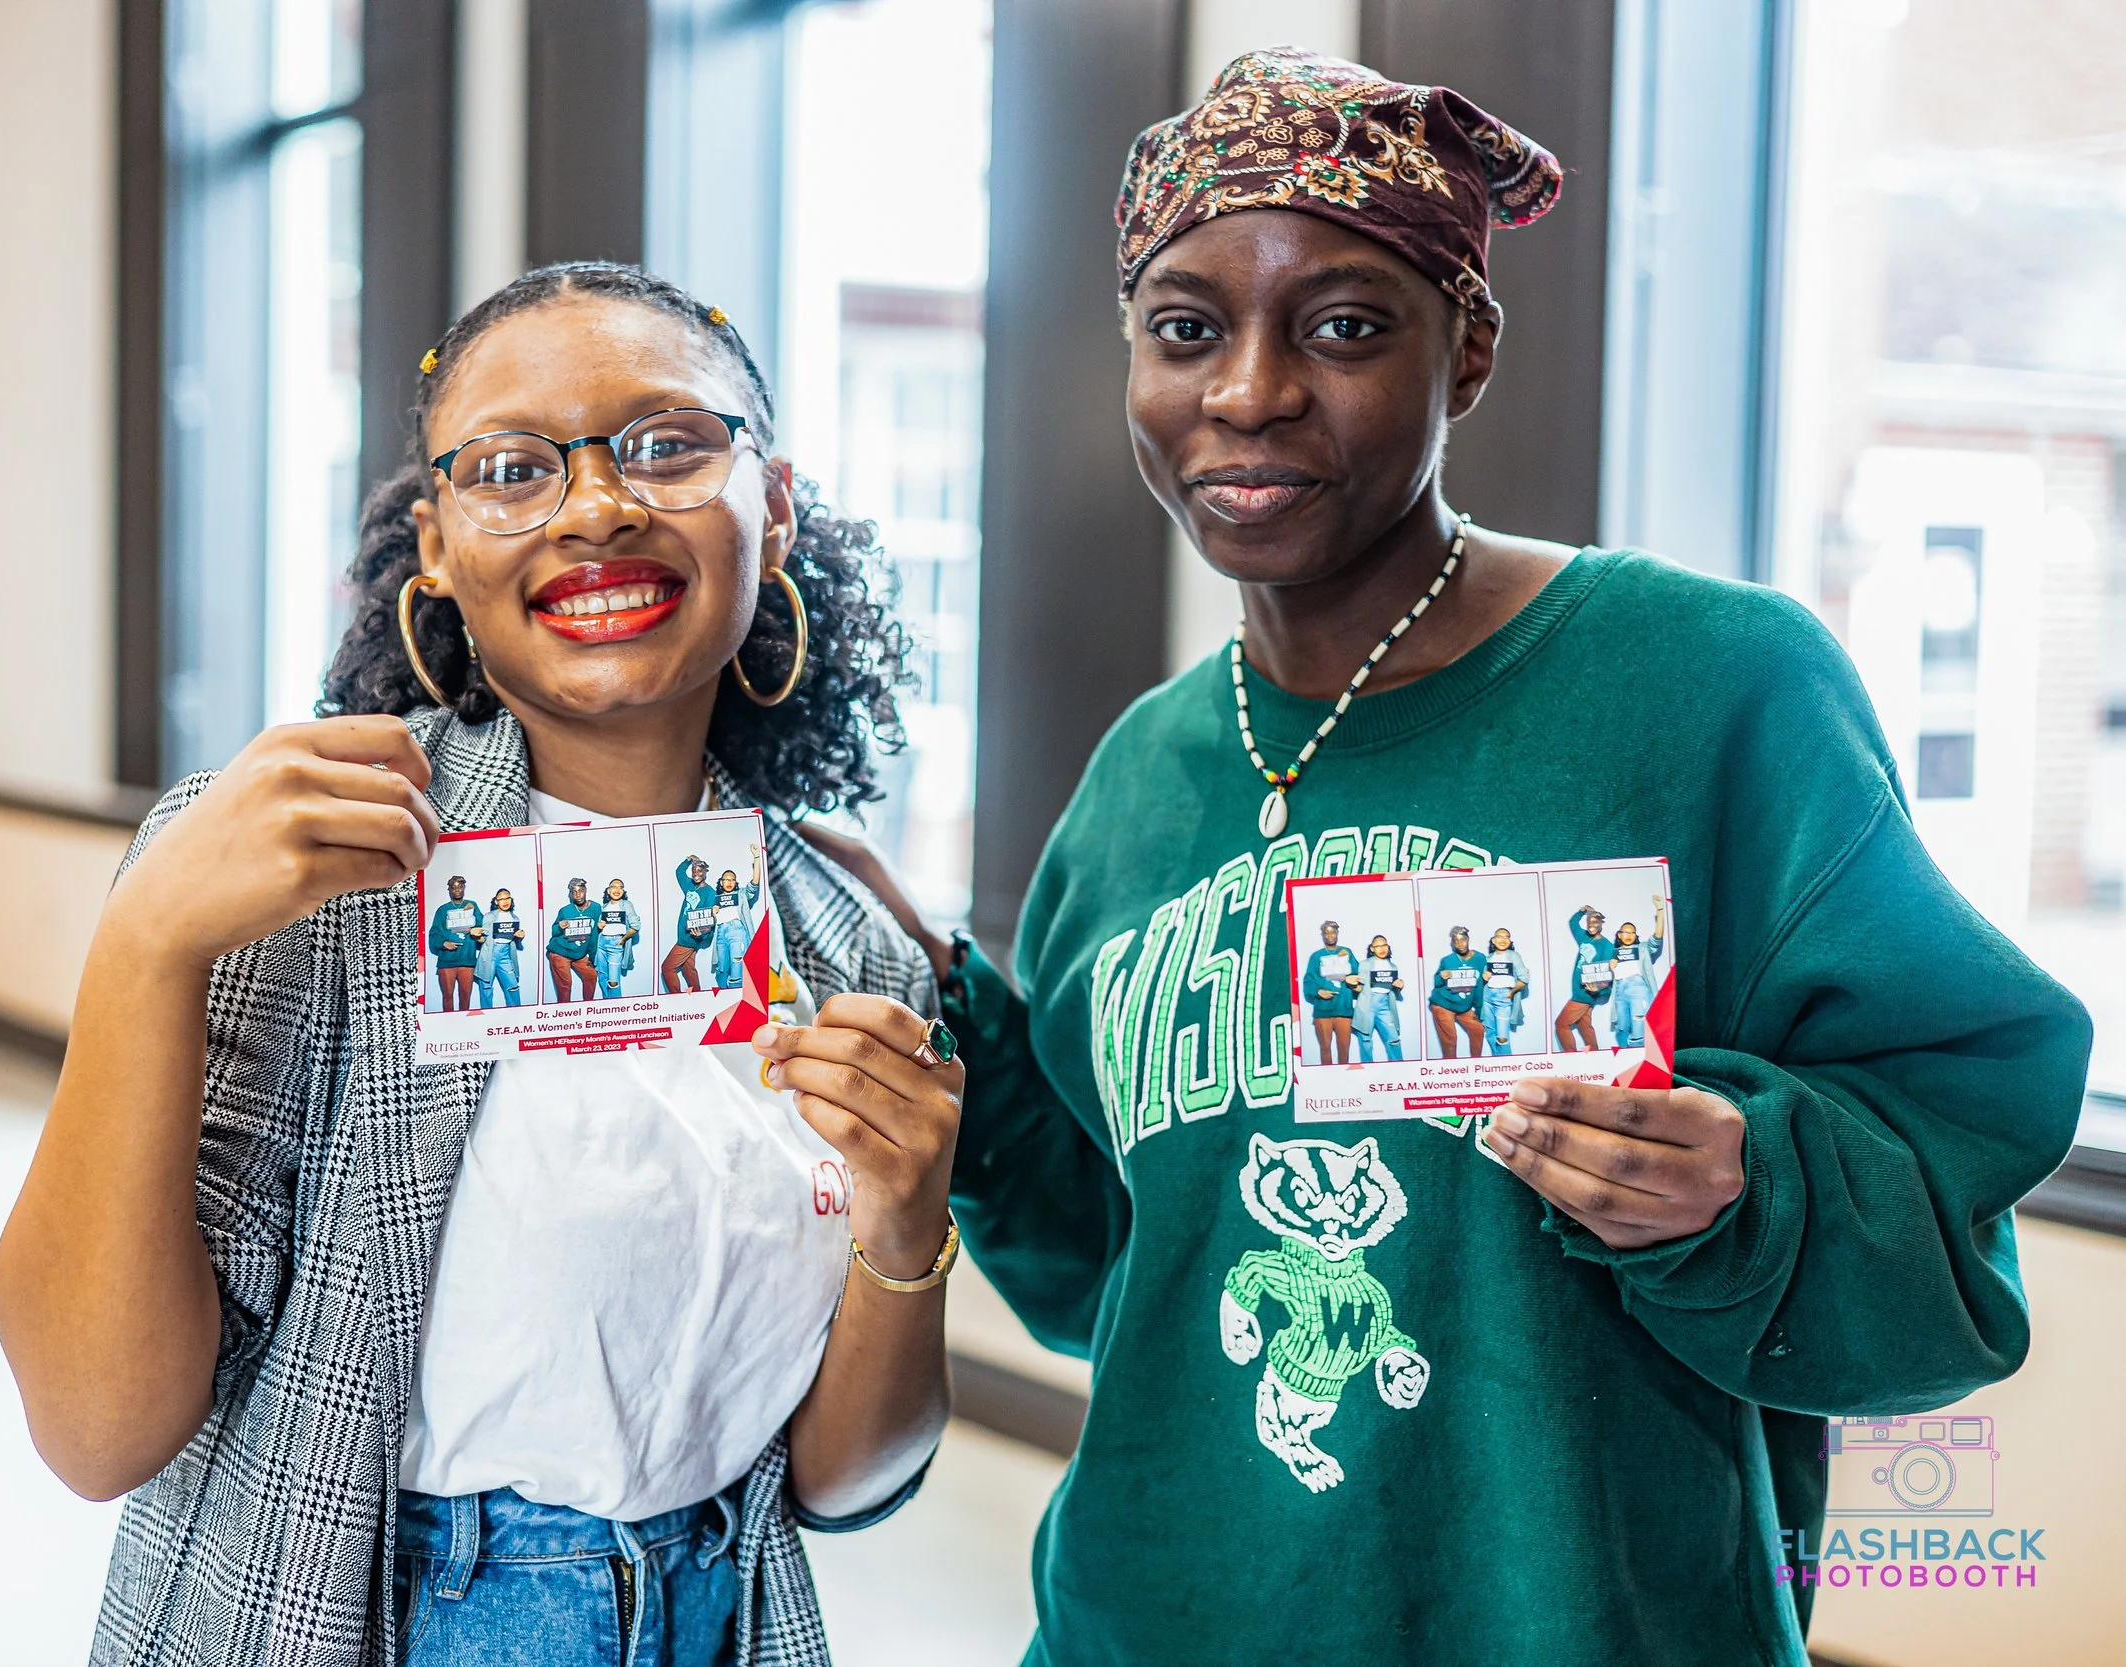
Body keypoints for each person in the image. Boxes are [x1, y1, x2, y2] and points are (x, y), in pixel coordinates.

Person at [788, 48, 2086, 1667]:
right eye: (1186, 327)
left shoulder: (1706, 690)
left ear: (1467, 350)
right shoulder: (1143, 776)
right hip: (1144, 1622)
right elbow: (1121, 1273)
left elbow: (1949, 1200)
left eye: (1343, 326)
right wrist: (942, 1017)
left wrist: (1737, 1176)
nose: (1249, 390)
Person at [0, 262, 966, 1667]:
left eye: (668, 444)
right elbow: (95, 1427)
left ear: (775, 501)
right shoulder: (308, 872)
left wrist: (904, 1228)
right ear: (439, 541)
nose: (597, 505)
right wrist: (146, 939)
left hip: (723, 1625)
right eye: (513, 467)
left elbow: (841, 1482)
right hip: (375, 1615)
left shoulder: (847, 943)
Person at [1605, 896, 1668, 1048]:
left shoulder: (1643, 948)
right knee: (1622, 1026)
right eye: (1625, 932)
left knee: (1639, 1021)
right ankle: (1624, 1055)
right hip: (1620, 991)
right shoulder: (1614, 952)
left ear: (1636, 935)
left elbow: (1657, 937)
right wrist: (1610, 966)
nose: (1628, 934)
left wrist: (1660, 910)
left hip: (1638, 988)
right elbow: (1604, 978)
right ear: (1619, 935)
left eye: (1632, 932)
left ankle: (1638, 1054)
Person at [1299, 920, 1359, 1063]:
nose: (1330, 935)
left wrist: (1353, 981)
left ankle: (1343, 1079)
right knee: (1325, 1049)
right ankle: (1327, 1079)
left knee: (1344, 1050)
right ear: (1322, 935)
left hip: (1344, 1009)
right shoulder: (1316, 956)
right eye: (1326, 932)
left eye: (1333, 932)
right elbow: (1308, 980)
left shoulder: (1347, 952)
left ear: (1337, 933)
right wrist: (1318, 991)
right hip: (1323, 1011)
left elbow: (1358, 974)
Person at [1555, 904, 1613, 1051]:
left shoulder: (1607, 946)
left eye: (1594, 922)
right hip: (1579, 991)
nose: (1590, 926)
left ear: (1601, 923)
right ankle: (1594, 1053)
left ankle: (1571, 1056)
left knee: (1561, 1025)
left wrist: (1598, 988)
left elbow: (1607, 974)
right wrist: (1581, 911)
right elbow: (1572, 923)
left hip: (1585, 994)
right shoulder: (1584, 938)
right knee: (1584, 1025)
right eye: (1588, 923)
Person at [1428, 925, 1486, 1058]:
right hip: (1443, 1004)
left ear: (1468, 939)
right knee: (1450, 1039)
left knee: (1478, 1030)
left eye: (1463, 939)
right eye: (1456, 941)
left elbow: (1480, 986)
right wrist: (1441, 977)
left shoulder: (1480, 958)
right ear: (1453, 943)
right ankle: (1451, 1069)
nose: (1460, 944)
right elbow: (1437, 983)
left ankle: (1476, 1064)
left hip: (1463, 1007)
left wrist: (1479, 1009)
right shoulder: (1447, 960)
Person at [429, 875, 484, 1013]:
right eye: (453, 887)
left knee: (465, 998)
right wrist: (443, 943)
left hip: (467, 961)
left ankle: (463, 1026)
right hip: (447, 962)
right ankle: (449, 1025)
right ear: (449, 890)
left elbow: (483, 926)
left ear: (464, 888)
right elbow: (433, 934)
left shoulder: (472, 905)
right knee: (447, 997)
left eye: (460, 886)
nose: (457, 890)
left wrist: (474, 912)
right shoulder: (442, 910)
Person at [710, 851, 763, 991]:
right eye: (726, 879)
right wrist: (713, 914)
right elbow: (708, 925)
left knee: (737, 965)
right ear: (721, 882)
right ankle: (724, 994)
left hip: (737, 933)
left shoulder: (741, 894)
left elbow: (754, 883)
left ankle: (737, 996)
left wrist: (756, 858)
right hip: (721, 935)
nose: (729, 882)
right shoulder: (715, 899)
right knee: (722, 968)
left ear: (735, 882)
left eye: (732, 879)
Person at [663, 854, 714, 993]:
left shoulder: (710, 892)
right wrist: (688, 860)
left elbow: (709, 919)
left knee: (667, 968)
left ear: (705, 872)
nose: (696, 874)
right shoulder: (690, 886)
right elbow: (679, 872)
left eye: (699, 871)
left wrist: (701, 934)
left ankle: (676, 997)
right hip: (684, 935)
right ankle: (697, 997)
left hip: (689, 938)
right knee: (688, 970)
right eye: (693, 871)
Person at [547, 876, 603, 1002]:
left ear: (586, 890)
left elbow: (594, 934)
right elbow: (554, 931)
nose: (578, 895)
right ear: (571, 894)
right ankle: (565, 1014)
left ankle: (587, 1007)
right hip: (560, 952)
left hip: (579, 953)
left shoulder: (596, 908)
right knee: (565, 985)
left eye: (580, 890)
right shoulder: (565, 910)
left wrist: (593, 957)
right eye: (574, 892)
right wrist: (559, 927)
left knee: (591, 975)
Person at [1478, 926, 1532, 1056]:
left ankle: (1507, 1064)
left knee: (1502, 1038)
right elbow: (1483, 977)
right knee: (1490, 1031)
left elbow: (1525, 978)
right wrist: (1483, 976)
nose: (1503, 939)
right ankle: (1498, 1062)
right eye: (1500, 936)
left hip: (1504, 999)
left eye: (1507, 937)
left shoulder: (1513, 956)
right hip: (1487, 999)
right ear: (1493, 940)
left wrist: (1512, 992)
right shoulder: (1488, 958)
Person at [1354, 933, 1406, 1062]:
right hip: (1367, 1004)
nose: (1381, 948)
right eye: (1377, 946)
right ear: (1372, 949)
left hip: (1384, 1004)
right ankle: (1368, 1068)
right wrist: (1352, 983)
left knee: (1393, 1038)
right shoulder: (1364, 964)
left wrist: (1399, 985)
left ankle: (1399, 1067)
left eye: (1384, 945)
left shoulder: (1393, 967)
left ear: (1388, 947)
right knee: (1365, 1040)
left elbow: (1393, 988)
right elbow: (1357, 987)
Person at [594, 876, 644, 999]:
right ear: (608, 890)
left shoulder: (626, 905)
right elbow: (599, 927)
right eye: (614, 887)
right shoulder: (603, 907)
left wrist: (623, 939)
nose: (617, 890)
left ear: (623, 891)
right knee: (602, 976)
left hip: (616, 945)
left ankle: (616, 1007)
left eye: (620, 887)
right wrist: (598, 926)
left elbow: (636, 926)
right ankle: (607, 1004)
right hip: (601, 944)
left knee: (613, 982)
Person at [482, 886, 524, 1007]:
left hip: (506, 954)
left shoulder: (515, 918)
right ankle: (486, 1015)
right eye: (501, 899)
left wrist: (520, 936)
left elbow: (516, 941)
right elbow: (482, 938)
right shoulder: (489, 916)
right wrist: (476, 935)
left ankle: (516, 1013)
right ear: (496, 901)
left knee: (512, 986)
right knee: (486, 987)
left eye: (508, 898)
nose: (505, 902)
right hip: (490, 953)